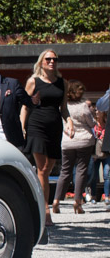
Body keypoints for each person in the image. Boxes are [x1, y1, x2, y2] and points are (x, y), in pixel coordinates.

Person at [22, 49, 74, 226]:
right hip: (37, 126)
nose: (52, 62)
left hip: (54, 127)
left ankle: (37, 203)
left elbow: (64, 109)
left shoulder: (62, 83)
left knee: (48, 169)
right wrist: (22, 126)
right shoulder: (33, 81)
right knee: (42, 168)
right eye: (48, 59)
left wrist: (70, 122)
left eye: (54, 59)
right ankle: (45, 210)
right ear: (41, 62)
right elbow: (25, 106)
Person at [50, 80, 95, 214]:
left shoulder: (63, 106)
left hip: (67, 141)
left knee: (65, 171)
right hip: (84, 140)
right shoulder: (83, 106)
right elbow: (91, 124)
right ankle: (77, 201)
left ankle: (56, 200)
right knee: (81, 170)